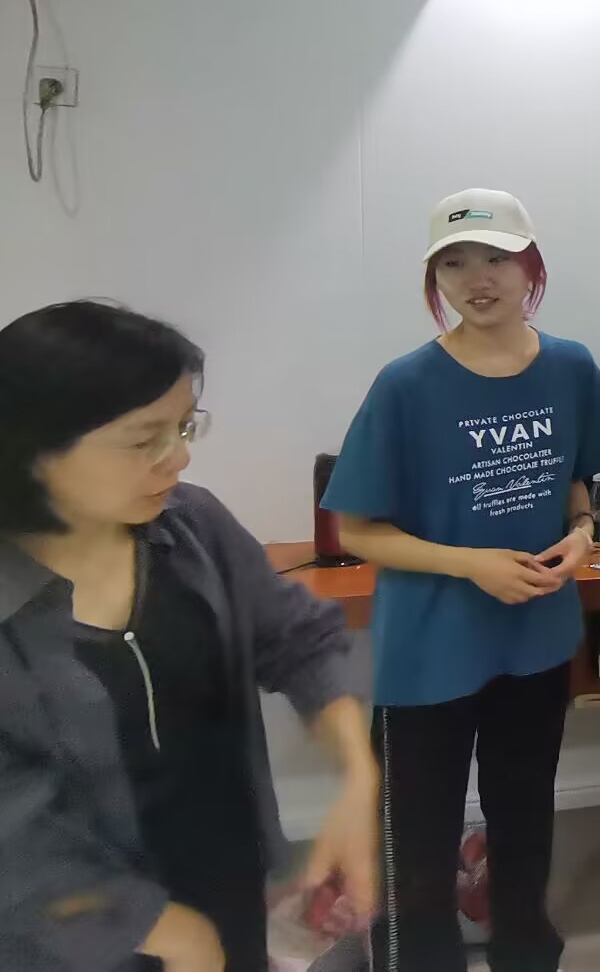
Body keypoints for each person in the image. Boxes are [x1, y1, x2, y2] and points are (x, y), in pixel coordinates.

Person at [0, 300, 377, 972]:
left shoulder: (192, 527)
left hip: (229, 895)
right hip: (72, 942)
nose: (177, 458)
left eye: (183, 427)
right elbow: (14, 837)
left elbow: (301, 638)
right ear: (35, 450)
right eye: (144, 440)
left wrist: (356, 775)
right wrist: (168, 932)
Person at [324, 189, 600, 972]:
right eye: (454, 264)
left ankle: (525, 952)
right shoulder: (405, 384)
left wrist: (582, 532)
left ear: (531, 266)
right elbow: (356, 530)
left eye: (496, 258)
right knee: (417, 837)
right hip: (430, 649)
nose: (477, 279)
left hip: (535, 637)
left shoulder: (571, 367)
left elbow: (578, 483)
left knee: (524, 819)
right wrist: (471, 563)